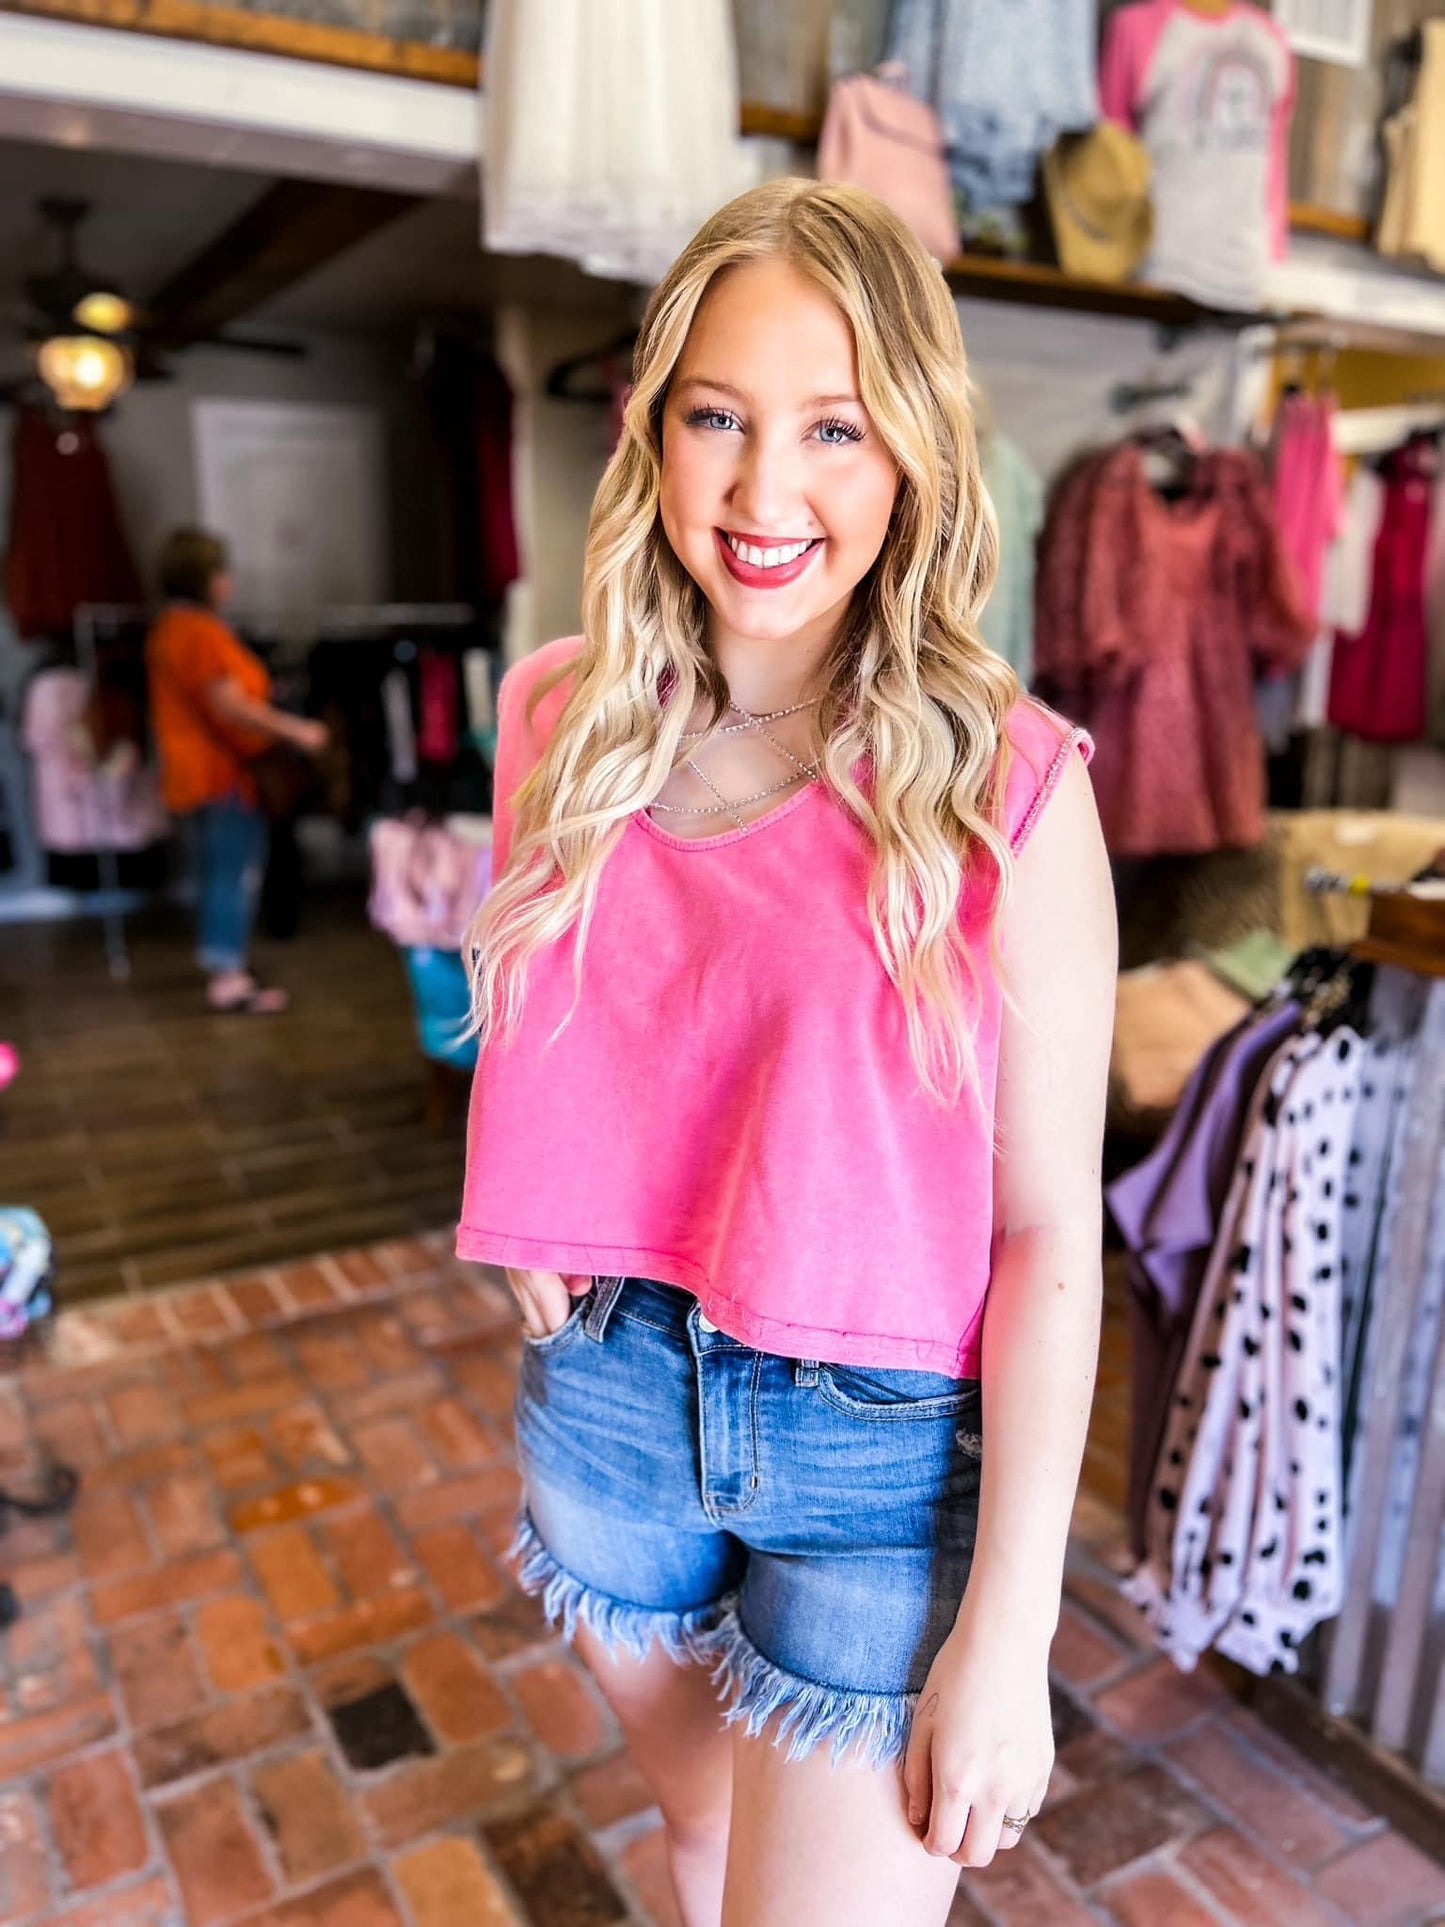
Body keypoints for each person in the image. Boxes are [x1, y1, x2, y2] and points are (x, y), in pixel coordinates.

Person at [460, 178, 1116, 1926]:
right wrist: (529, 1191)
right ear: (653, 431)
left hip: (874, 1460)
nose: (764, 491)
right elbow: (541, 991)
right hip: (605, 1408)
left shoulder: (1013, 781)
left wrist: (1013, 1627)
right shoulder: (559, 711)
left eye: (832, 427)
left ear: (908, 449)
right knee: (698, 1853)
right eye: (719, 418)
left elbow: (1052, 1228)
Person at [145, 528, 326, 1014]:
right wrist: (297, 731)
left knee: (218, 870)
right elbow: (231, 706)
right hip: (221, 774)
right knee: (234, 872)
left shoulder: (169, 628)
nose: (229, 582)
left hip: (193, 774)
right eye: (222, 572)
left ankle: (225, 966)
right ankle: (229, 980)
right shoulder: (200, 632)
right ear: (204, 578)